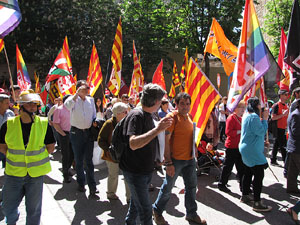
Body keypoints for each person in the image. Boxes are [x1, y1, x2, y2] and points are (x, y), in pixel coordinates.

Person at [119, 83, 172, 225]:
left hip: (145, 170)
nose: (162, 104)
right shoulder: (136, 115)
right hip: (135, 171)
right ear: (155, 102)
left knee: (136, 206)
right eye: (161, 101)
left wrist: (158, 157)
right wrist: (158, 130)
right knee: (146, 210)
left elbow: (151, 140)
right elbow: (133, 143)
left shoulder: (149, 115)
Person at [0, 89, 55, 225]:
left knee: (34, 210)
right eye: (29, 104)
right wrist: (15, 157)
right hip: (14, 174)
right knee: (7, 206)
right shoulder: (8, 124)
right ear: (21, 105)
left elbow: (50, 146)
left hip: (35, 176)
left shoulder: (43, 123)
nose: (33, 107)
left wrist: (34, 158)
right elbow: (2, 146)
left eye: (35, 104)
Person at [153, 92, 207, 225]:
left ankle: (191, 213)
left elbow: (191, 135)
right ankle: (157, 212)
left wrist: (194, 148)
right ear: (176, 104)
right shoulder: (172, 118)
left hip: (190, 159)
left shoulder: (189, 117)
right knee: (167, 188)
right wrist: (169, 162)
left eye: (187, 104)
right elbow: (165, 140)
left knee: (191, 187)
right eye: (182, 103)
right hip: (175, 161)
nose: (185, 106)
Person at [64, 80, 98, 197]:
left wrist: (95, 123)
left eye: (87, 88)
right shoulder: (72, 100)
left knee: (89, 161)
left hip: (88, 133)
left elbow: (94, 114)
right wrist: (76, 95)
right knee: (78, 160)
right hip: (76, 133)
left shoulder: (91, 100)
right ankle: (81, 183)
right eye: (83, 88)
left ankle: (92, 186)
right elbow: (67, 106)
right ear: (77, 88)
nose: (86, 90)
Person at [239, 97, 272, 212]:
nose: (260, 107)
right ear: (255, 105)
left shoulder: (246, 115)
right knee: (259, 175)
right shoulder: (253, 117)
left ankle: (245, 194)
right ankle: (257, 202)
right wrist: (265, 120)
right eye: (259, 105)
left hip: (247, 148)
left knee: (248, 172)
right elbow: (261, 131)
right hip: (252, 150)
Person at [98, 102, 130, 202]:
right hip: (112, 156)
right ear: (118, 113)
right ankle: (111, 193)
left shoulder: (128, 122)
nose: (127, 113)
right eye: (125, 112)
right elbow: (101, 140)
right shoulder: (108, 124)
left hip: (125, 155)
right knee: (113, 175)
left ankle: (130, 198)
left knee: (128, 177)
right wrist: (109, 150)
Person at [218, 101, 245, 193]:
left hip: (239, 147)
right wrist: (239, 131)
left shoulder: (241, 118)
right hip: (231, 146)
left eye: (243, 108)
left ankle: (243, 187)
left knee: (241, 168)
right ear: (236, 108)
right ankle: (222, 184)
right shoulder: (231, 118)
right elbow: (228, 133)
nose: (243, 110)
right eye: (241, 108)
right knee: (228, 167)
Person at [52, 94, 74, 183]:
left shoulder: (73, 109)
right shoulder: (59, 110)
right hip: (64, 134)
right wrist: (63, 134)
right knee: (66, 154)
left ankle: (68, 168)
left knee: (72, 154)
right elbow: (55, 123)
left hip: (73, 134)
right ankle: (65, 174)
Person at [271, 89, 289, 166]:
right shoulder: (276, 105)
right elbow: (273, 117)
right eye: (285, 94)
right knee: (283, 146)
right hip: (278, 128)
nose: (286, 96)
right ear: (281, 95)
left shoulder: (286, 105)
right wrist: (283, 115)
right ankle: (286, 163)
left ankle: (273, 160)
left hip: (284, 128)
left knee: (276, 144)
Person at [286, 99, 300, 194]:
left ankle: (291, 188)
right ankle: (291, 187)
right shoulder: (297, 115)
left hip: (294, 147)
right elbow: (295, 131)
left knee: (293, 170)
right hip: (296, 146)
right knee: (293, 170)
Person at [0, 92, 15, 168]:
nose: (9, 104)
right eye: (6, 103)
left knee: (8, 166)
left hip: (8, 143)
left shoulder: (10, 113)